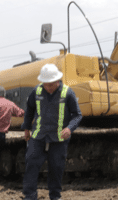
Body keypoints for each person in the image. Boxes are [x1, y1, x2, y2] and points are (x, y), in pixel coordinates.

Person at [21, 64, 82, 200]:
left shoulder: (68, 93)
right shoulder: (36, 91)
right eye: (45, 84)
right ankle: (30, 196)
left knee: (56, 168)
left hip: (59, 138)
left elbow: (77, 115)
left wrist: (69, 128)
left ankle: (55, 196)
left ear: (57, 80)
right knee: (31, 164)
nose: (48, 87)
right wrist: (26, 128)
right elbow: (29, 109)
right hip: (38, 136)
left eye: (51, 84)